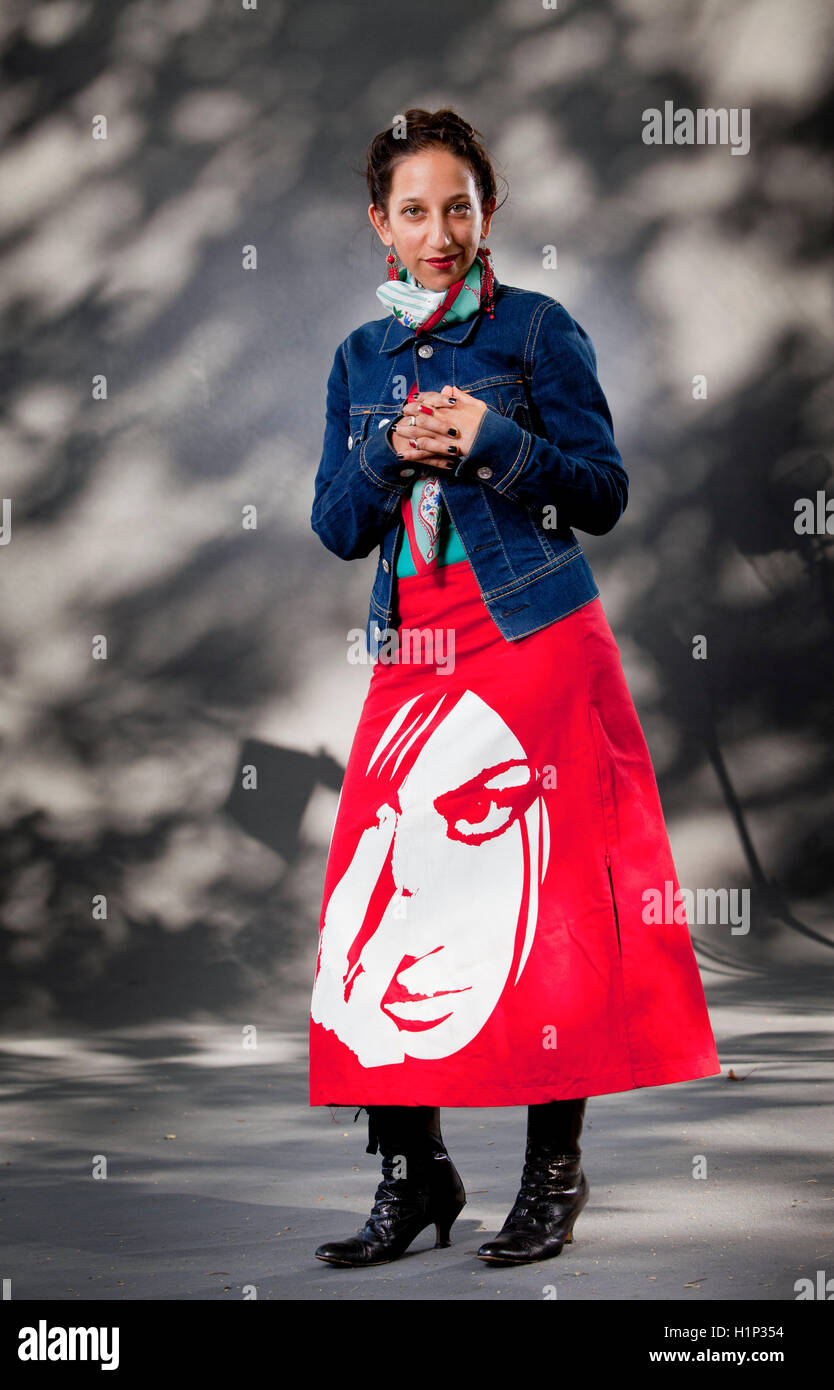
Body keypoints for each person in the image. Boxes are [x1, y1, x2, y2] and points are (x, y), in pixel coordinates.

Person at [307, 108, 720, 1268]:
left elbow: (600, 493)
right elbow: (336, 526)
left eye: (457, 207)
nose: (437, 232)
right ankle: (415, 1176)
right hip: (414, 651)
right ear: (378, 226)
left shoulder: (536, 330)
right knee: (378, 910)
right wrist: (388, 452)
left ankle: (551, 1176)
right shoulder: (356, 359)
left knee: (551, 921)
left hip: (535, 637)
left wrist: (494, 442)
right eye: (413, 211)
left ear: (488, 211)